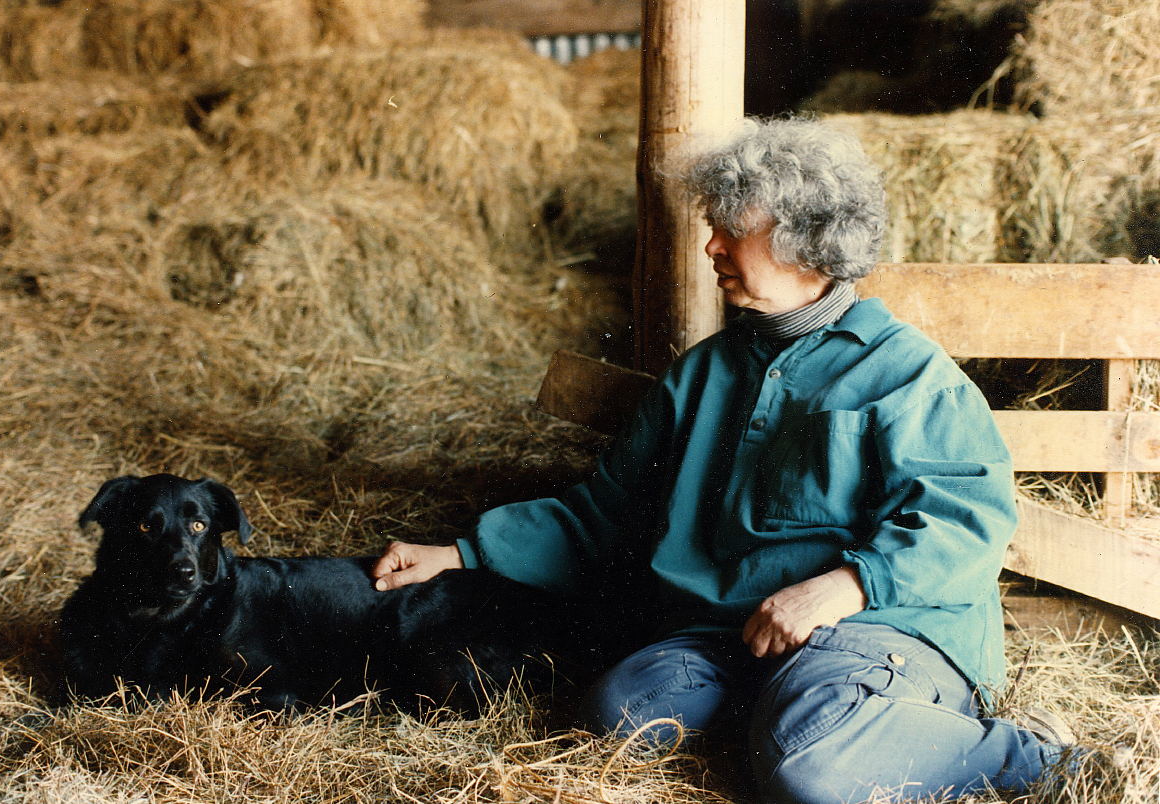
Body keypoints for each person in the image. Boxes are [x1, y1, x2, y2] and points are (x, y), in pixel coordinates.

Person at [370, 116, 1078, 802]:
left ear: (807, 242)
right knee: (618, 717)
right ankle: (790, 721)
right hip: (734, 633)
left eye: (731, 228)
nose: (710, 246)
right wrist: (462, 553)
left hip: (878, 629)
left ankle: (1037, 756)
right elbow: (605, 513)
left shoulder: (909, 376)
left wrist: (844, 587)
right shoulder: (702, 374)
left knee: (812, 766)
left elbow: (966, 518)